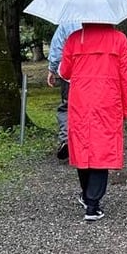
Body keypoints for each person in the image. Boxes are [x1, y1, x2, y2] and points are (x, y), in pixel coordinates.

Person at [58, 22, 127, 222]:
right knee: (102, 149)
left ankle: (87, 196)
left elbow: (65, 72)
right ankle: (92, 203)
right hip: (108, 101)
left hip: (81, 101)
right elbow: (126, 77)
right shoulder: (119, 39)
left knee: (82, 147)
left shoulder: (75, 38)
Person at [46, 21, 82, 160]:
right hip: (95, 76)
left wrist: (52, 69)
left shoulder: (67, 22)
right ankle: (87, 142)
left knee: (67, 108)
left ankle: (66, 139)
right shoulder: (102, 22)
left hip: (70, 75)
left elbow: (58, 46)